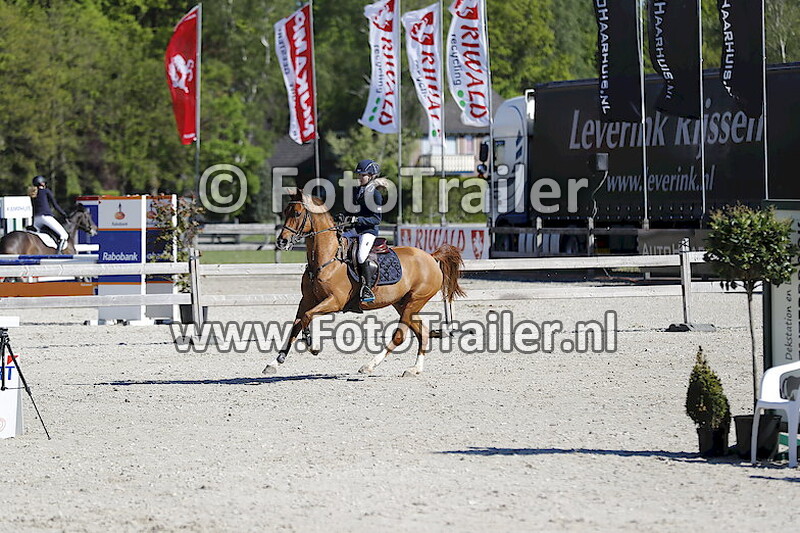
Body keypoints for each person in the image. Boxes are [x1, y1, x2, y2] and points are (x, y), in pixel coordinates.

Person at [345, 159, 384, 303]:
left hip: (368, 231)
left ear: (371, 176)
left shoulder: (376, 195)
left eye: (363, 175)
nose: (360, 178)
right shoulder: (356, 191)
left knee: (361, 256)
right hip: (356, 229)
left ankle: (367, 288)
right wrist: (344, 216)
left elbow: (376, 219)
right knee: (339, 242)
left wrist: (357, 220)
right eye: (359, 175)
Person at [30, 175, 69, 253]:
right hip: (46, 217)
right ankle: (59, 253)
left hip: (36, 220)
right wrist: (64, 214)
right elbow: (55, 205)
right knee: (64, 235)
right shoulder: (46, 191)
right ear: (42, 183)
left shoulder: (32, 194)